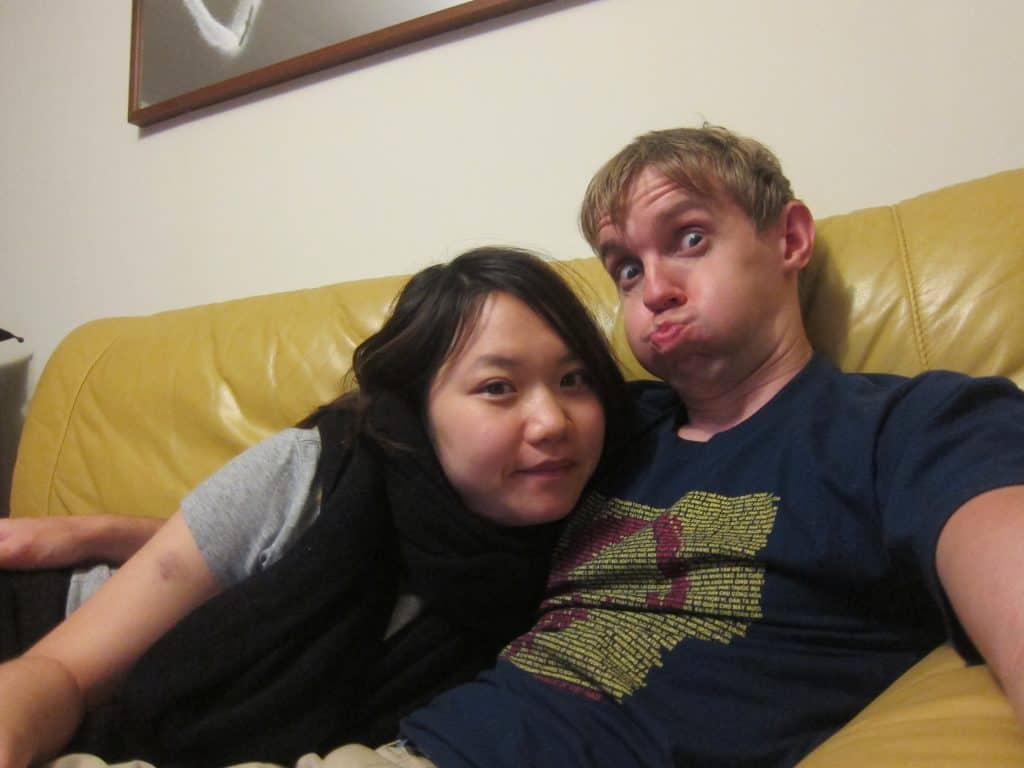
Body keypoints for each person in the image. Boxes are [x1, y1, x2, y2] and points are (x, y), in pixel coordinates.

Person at [323, 126, 1024, 768]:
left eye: (689, 238)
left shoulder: (915, 426)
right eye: (627, 268)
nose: (654, 289)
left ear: (789, 239)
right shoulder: (601, 430)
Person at [0, 246, 630, 768]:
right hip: (44, 628)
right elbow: (59, 670)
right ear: (416, 409)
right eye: (498, 387)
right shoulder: (315, 472)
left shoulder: (612, 525)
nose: (552, 421)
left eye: (573, 379)